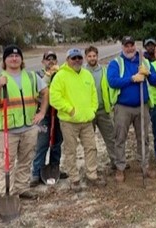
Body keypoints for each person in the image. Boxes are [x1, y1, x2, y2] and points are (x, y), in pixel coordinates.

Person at [0, 45, 48, 199]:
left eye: (17, 56)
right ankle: (7, 193)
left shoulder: (32, 77)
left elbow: (45, 92)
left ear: (21, 59)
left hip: (29, 127)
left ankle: (22, 188)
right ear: (4, 60)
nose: (14, 59)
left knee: (26, 160)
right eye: (10, 56)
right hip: (8, 129)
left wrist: (42, 112)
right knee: (6, 164)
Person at [50, 48, 105, 192]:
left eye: (79, 58)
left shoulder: (87, 74)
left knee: (91, 148)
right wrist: (69, 109)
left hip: (87, 120)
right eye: (73, 58)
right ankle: (74, 178)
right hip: (69, 121)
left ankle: (91, 175)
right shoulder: (60, 76)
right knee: (71, 151)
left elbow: (93, 94)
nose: (77, 61)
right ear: (67, 60)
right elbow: (54, 98)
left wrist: (92, 110)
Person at [107, 36, 156, 182]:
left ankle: (145, 165)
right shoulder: (116, 63)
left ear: (135, 46)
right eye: (126, 46)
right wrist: (132, 78)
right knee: (120, 138)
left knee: (143, 138)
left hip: (142, 107)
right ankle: (120, 168)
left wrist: (148, 73)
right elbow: (112, 81)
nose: (129, 48)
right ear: (122, 47)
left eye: (132, 45)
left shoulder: (144, 61)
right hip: (123, 107)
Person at [30, 51, 68, 187]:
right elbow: (37, 94)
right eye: (48, 59)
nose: (50, 62)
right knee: (42, 143)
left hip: (58, 112)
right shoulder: (38, 75)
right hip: (43, 113)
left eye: (53, 59)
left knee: (57, 142)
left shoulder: (60, 73)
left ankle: (54, 167)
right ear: (43, 61)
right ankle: (36, 172)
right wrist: (47, 76)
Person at [84, 46, 116, 171]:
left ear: (97, 56)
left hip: (103, 111)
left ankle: (116, 161)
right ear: (86, 57)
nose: (92, 58)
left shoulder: (105, 70)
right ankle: (91, 167)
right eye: (89, 56)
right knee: (89, 142)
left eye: (94, 56)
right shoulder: (82, 72)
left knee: (111, 138)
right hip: (88, 113)